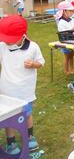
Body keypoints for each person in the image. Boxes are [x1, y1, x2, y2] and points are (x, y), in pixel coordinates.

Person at [0, 15, 45, 154]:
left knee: (27, 114)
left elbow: (41, 63)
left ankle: (30, 136)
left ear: (22, 35)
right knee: (9, 118)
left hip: (25, 91)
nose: (7, 42)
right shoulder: (2, 46)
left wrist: (33, 64)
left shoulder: (33, 47)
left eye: (9, 38)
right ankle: (11, 142)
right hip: (7, 90)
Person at [55, 1, 74, 74]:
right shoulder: (62, 22)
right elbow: (67, 30)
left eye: (72, 11)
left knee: (71, 55)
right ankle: (66, 70)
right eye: (70, 11)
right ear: (64, 11)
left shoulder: (71, 19)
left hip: (72, 40)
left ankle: (72, 68)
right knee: (67, 56)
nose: (72, 12)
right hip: (65, 41)